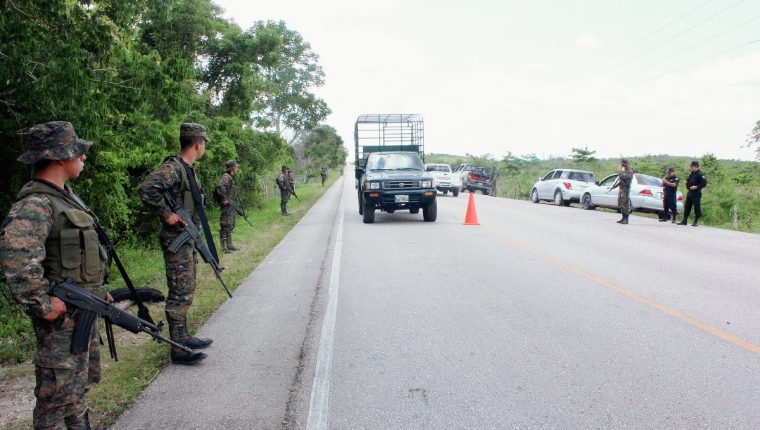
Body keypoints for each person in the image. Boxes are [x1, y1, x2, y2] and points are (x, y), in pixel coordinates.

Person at [0, 121, 111, 429]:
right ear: (61, 156)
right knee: (55, 397)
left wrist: (97, 289)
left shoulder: (66, 197)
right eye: (78, 152)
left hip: (81, 310)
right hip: (61, 322)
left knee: (77, 389)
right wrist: (44, 305)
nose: (83, 157)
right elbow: (17, 258)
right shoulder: (36, 203)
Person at [139, 123, 212, 365]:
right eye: (204, 143)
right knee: (180, 290)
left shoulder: (188, 170)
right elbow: (147, 188)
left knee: (187, 287)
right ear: (198, 143)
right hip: (176, 240)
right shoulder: (175, 168)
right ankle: (178, 349)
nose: (204, 147)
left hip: (188, 238)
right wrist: (166, 214)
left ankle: (184, 337)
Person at [216, 160, 239, 253]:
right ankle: (224, 247)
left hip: (230, 204)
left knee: (230, 224)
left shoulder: (230, 177)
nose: (237, 169)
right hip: (227, 205)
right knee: (225, 225)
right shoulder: (226, 177)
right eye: (236, 167)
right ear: (232, 168)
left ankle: (229, 245)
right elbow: (220, 186)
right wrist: (224, 199)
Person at [679, 160, 708, 227]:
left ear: (697, 167)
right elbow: (688, 182)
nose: (692, 168)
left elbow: (704, 183)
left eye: (694, 166)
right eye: (692, 166)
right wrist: (686, 183)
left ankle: (696, 221)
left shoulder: (700, 174)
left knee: (696, 207)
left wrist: (696, 187)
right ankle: (684, 220)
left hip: (696, 193)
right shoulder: (691, 174)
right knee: (687, 206)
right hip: (690, 193)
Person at [614, 158, 634, 225]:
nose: (623, 165)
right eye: (622, 164)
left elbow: (623, 176)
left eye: (624, 164)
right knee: (621, 204)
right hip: (621, 190)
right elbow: (619, 175)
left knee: (625, 205)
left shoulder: (630, 172)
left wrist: (621, 171)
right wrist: (621, 171)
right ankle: (623, 218)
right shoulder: (623, 170)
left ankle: (626, 219)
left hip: (626, 191)